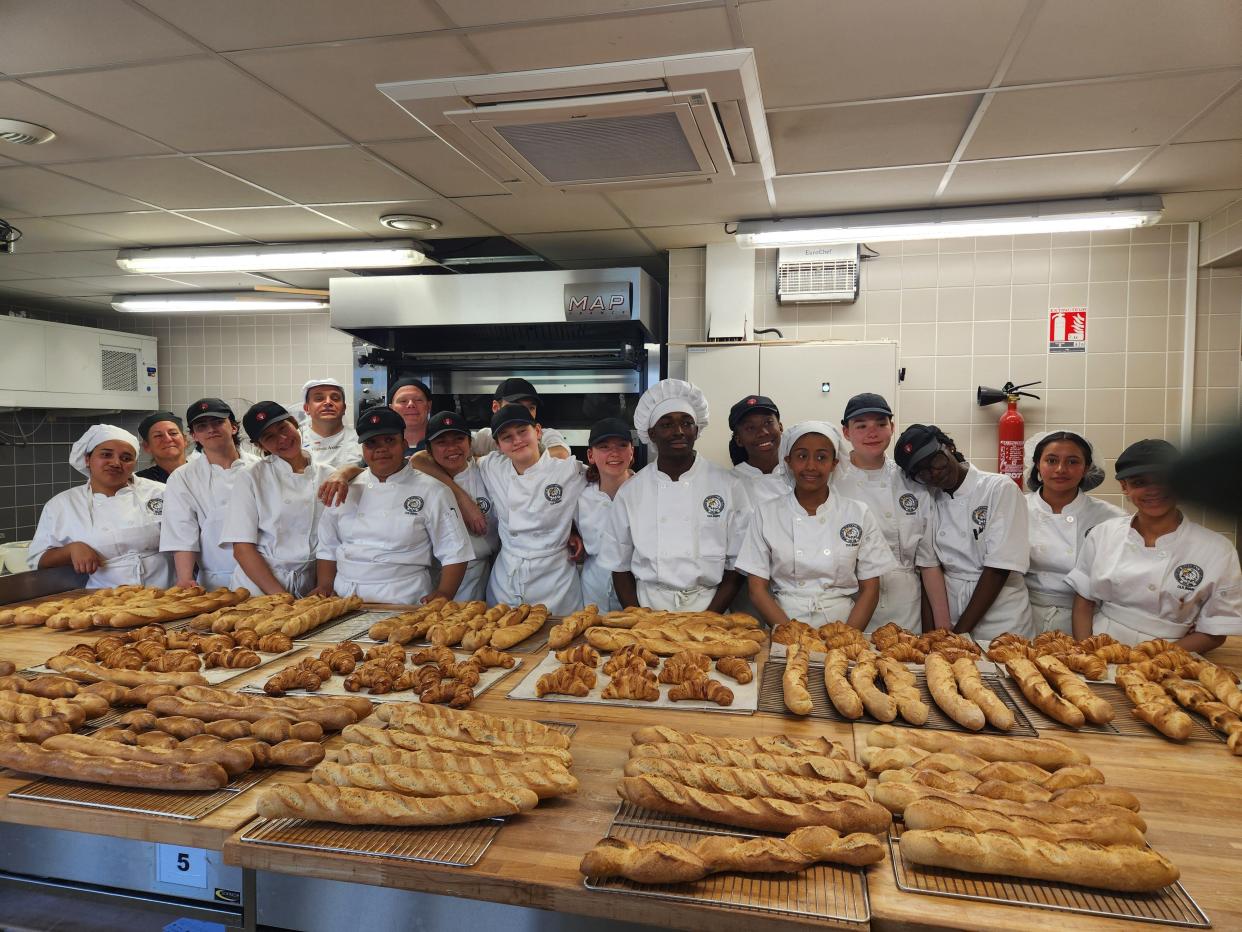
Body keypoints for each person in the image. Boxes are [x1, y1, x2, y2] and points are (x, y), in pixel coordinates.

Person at [1069, 439, 1242, 652]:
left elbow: (1214, 632)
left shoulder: (1217, 549)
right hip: (1103, 645)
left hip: (1174, 655)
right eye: (1139, 482)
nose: (1154, 490)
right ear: (1125, 487)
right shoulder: (1104, 533)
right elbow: (1083, 604)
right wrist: (1088, 652)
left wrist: (1152, 659)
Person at [602, 379, 751, 613]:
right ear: (651, 433)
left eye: (687, 423)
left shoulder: (728, 484)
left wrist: (710, 617)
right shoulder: (632, 491)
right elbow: (619, 566)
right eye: (667, 424)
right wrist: (639, 618)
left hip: (710, 604)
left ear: (697, 429)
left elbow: (737, 564)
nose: (679, 431)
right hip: (648, 604)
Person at [737, 421, 896, 631]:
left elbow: (870, 589)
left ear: (834, 463)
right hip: (784, 622)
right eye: (802, 456)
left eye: (822, 457)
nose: (811, 466)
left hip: (843, 624)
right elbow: (757, 590)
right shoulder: (766, 513)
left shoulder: (857, 513)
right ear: (789, 461)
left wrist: (846, 638)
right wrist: (792, 634)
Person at [315, 407, 474, 605]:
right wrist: (324, 585)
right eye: (372, 443)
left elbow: (455, 550)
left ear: (404, 444)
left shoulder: (433, 490)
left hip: (405, 597)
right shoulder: (346, 488)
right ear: (363, 450)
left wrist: (444, 592)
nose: (381, 449)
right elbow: (328, 545)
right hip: (345, 597)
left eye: (389, 441)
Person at [895, 423, 1035, 640]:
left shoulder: (998, 489)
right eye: (922, 472)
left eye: (936, 461)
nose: (934, 474)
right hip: (951, 610)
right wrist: (935, 636)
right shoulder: (932, 498)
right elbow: (929, 567)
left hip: (1001, 615)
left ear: (949, 447)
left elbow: (999, 568)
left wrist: (960, 634)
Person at [836, 392, 951, 632]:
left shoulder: (912, 481)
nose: (873, 432)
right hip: (850, 602)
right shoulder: (832, 482)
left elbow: (928, 562)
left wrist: (943, 630)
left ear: (892, 427)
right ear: (846, 432)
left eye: (881, 424)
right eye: (861, 425)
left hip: (905, 604)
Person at [29, 424, 173, 588]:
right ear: (87, 459)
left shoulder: (161, 492)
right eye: (106, 455)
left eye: (126, 458)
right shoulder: (62, 505)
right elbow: (38, 560)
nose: (116, 463)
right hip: (105, 601)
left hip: (167, 593)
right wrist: (71, 550)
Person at [221, 401, 336, 597]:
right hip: (259, 588)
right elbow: (242, 548)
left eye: (283, 428)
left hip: (309, 586)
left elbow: (330, 540)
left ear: (294, 423)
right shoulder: (251, 477)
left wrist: (325, 585)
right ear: (260, 445)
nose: (282, 438)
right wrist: (280, 597)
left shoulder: (328, 475)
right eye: (269, 437)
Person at [1024, 430, 1124, 635]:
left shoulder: (1111, 518)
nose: (1061, 469)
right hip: (1023, 613)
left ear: (1086, 468)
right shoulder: (1016, 508)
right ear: (1037, 465)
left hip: (1087, 618)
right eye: (1051, 460)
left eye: (1072, 462)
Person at [160, 398, 258, 590]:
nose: (211, 429)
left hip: (264, 573)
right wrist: (185, 578)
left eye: (218, 422)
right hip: (216, 583)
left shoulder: (260, 468)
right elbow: (182, 533)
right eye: (202, 426)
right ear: (194, 435)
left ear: (234, 427)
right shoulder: (183, 477)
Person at [424, 410, 499, 602]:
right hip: (431, 573)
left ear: (470, 443)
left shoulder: (487, 471)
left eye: (459, 439)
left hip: (476, 572)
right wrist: (463, 500)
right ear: (429, 450)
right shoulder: (421, 477)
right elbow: (414, 460)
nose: (452, 448)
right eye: (441, 442)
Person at [577, 417, 635, 612]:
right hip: (594, 591)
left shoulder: (645, 490)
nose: (614, 453)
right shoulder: (581, 495)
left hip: (637, 591)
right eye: (604, 446)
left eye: (622, 445)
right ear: (590, 455)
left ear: (632, 451)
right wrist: (571, 534)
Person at [470, 377, 571, 459]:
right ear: (496, 407)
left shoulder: (546, 435)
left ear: (538, 430)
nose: (524, 413)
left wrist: (485, 462)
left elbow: (561, 454)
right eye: (516, 406)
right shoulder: (485, 438)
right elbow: (458, 453)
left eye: (531, 408)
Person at [728, 394, 787, 507]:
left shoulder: (799, 475)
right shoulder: (729, 483)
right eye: (750, 428)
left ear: (780, 427)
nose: (763, 432)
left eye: (768, 422)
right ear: (738, 440)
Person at [300, 378, 362, 469]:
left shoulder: (360, 440)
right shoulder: (296, 440)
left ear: (344, 408)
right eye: (319, 399)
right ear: (306, 408)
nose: (328, 402)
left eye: (335, 398)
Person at [134, 411, 188, 483]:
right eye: (158, 435)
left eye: (173, 433)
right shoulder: (138, 482)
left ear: (185, 440)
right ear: (146, 446)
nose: (167, 439)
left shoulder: (203, 473)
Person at [388, 376, 434, 454]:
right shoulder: (377, 446)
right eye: (403, 401)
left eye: (418, 400)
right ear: (391, 408)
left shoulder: (447, 445)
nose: (411, 404)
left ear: (429, 406)